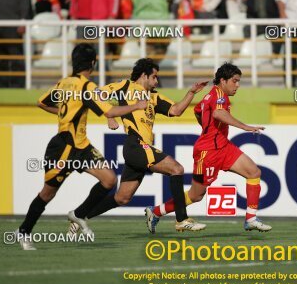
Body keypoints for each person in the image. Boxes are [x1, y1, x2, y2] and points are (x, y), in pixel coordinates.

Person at [15, 44, 148, 250]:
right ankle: (23, 232)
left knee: (109, 179)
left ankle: (77, 215)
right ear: (93, 63)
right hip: (64, 148)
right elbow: (110, 111)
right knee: (48, 194)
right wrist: (136, 106)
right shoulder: (87, 87)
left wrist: (63, 115)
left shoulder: (63, 83)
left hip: (81, 147)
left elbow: (41, 102)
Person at [75, 58, 209, 233]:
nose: (156, 81)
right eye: (154, 77)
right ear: (144, 75)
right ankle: (181, 219)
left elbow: (176, 110)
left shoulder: (153, 97)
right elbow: (97, 95)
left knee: (122, 198)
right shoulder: (125, 87)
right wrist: (110, 116)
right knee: (176, 169)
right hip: (135, 145)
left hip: (139, 150)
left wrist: (191, 93)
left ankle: (80, 217)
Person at [146, 63, 272, 233]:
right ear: (223, 80)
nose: (238, 85)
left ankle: (250, 218)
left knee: (254, 172)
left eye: (239, 81)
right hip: (208, 153)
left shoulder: (210, 95)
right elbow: (218, 113)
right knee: (195, 195)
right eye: (235, 81)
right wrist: (245, 127)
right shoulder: (219, 95)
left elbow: (198, 111)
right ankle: (155, 212)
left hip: (223, 147)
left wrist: (207, 127)